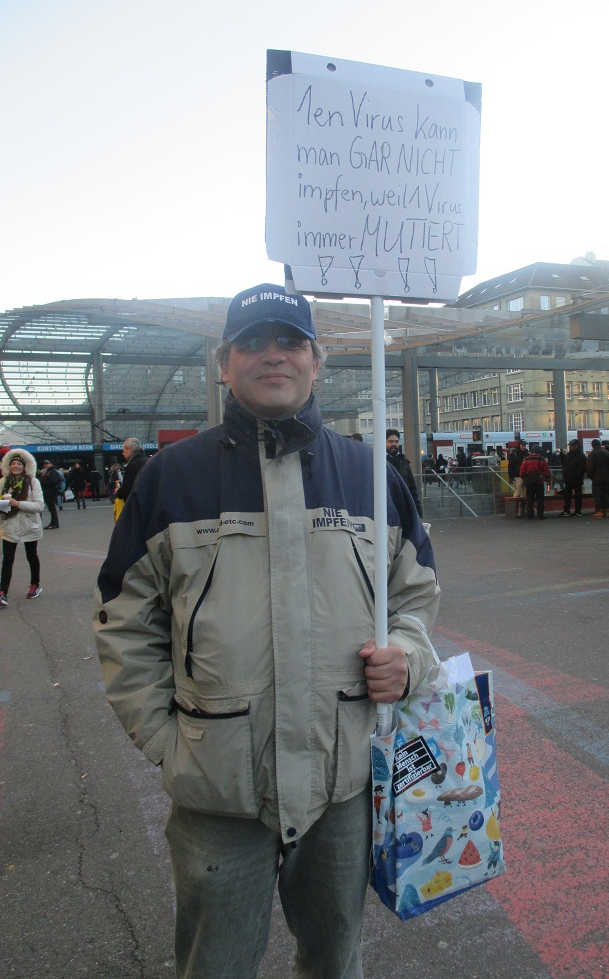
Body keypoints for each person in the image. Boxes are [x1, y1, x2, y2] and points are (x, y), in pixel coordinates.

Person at [93, 283, 440, 979]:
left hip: (343, 780)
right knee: (215, 962)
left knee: (335, 956)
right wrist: (167, 742)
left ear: (317, 360)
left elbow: (415, 596)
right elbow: (125, 623)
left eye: (288, 341)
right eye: (251, 342)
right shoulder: (170, 478)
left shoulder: (372, 475)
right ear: (224, 364)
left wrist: (406, 654)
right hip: (217, 786)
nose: (271, 355)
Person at [0, 448, 44, 605]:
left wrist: (17, 503)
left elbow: (39, 506)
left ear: (25, 466)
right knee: (7, 559)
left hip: (29, 524)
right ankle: (2, 592)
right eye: (13, 464)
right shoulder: (3, 482)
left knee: (31, 555)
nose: (16, 466)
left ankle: (35, 585)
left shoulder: (33, 482)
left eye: (19, 463)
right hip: (9, 525)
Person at [385, 428, 424, 517]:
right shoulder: (379, 462)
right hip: (388, 508)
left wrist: (418, 512)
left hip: (403, 507)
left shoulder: (404, 462)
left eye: (396, 441)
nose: (394, 444)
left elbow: (412, 488)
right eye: (390, 441)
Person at [519, 444, 551, 520]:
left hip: (529, 483)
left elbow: (521, 472)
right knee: (540, 499)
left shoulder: (526, 459)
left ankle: (530, 515)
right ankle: (540, 515)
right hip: (539, 482)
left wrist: (526, 479)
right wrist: (548, 482)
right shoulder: (542, 459)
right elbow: (547, 472)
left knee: (530, 499)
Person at [115, 438, 150, 504]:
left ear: (130, 450)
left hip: (136, 504)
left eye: (123, 450)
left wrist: (119, 492)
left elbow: (128, 487)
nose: (123, 453)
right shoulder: (147, 460)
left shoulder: (133, 464)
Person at [585, 438, 609, 518]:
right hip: (606, 477)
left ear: (592, 445)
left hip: (596, 478)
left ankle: (599, 511)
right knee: (605, 494)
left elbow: (589, 467)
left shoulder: (592, 454)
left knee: (596, 494)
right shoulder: (606, 452)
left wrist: (590, 475)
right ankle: (607, 511)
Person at [560, 439, 586, 517]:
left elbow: (581, 468)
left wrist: (574, 475)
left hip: (576, 479)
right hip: (569, 478)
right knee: (568, 495)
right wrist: (562, 456)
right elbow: (565, 464)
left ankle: (577, 511)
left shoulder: (580, 455)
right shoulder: (570, 455)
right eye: (570, 445)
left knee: (577, 495)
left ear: (576, 446)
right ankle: (567, 510)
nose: (570, 447)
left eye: (571, 445)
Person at [507, 440, 528, 517]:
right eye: (522, 445)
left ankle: (521, 511)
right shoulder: (517, 454)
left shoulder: (516, 454)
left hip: (524, 476)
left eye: (524, 445)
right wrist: (511, 476)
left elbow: (510, 466)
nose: (524, 446)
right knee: (518, 494)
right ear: (519, 445)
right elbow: (510, 466)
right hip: (518, 476)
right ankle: (517, 511)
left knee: (524, 494)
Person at [40, 459, 62, 529]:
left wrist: (44, 480)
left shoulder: (52, 472)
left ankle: (54, 523)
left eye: (47, 464)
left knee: (52, 508)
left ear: (51, 464)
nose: (45, 465)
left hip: (51, 492)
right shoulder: (48, 471)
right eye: (44, 464)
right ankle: (54, 523)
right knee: (51, 508)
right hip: (49, 492)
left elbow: (53, 482)